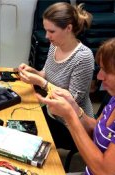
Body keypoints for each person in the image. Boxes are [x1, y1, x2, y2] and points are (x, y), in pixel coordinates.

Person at [36, 34, 115, 175]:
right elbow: (96, 129)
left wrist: (70, 116)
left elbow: (103, 171)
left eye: (107, 71)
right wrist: (75, 108)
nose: (100, 76)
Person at [18, 2, 94, 150]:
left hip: (72, 125)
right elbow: (46, 74)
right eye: (46, 30)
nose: (47, 36)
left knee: (26, 138)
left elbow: (70, 102)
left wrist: (40, 82)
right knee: (19, 118)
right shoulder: (55, 45)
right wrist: (33, 71)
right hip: (52, 112)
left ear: (68, 28)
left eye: (51, 31)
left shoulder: (83, 57)